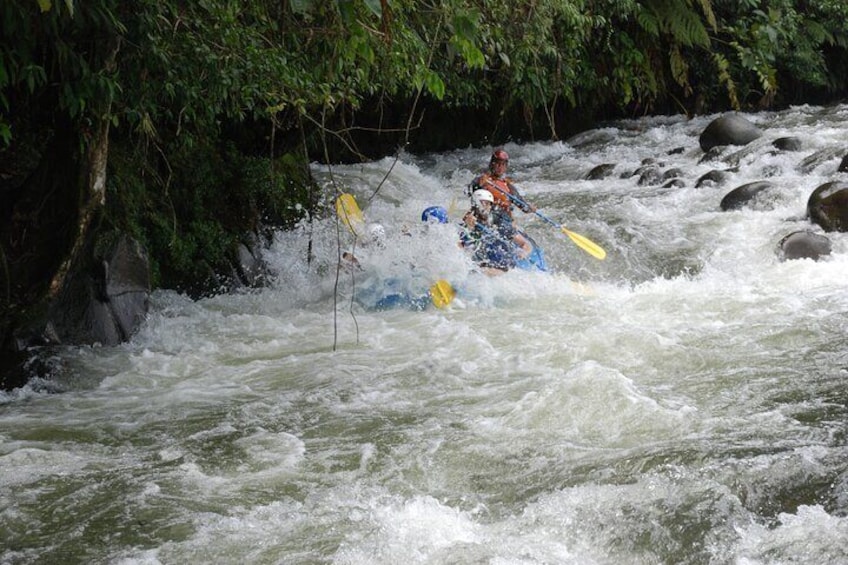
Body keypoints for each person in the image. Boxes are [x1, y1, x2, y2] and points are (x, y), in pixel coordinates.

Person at [460, 189, 531, 274]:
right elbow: (463, 246)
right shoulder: (468, 221)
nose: (485, 206)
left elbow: (524, 244)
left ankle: (481, 273)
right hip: (482, 259)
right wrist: (469, 228)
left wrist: (524, 252)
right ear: (475, 205)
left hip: (500, 260)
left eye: (488, 203)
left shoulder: (499, 222)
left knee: (492, 261)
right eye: (482, 203)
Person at [468, 149, 537, 229]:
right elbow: (470, 192)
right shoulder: (482, 180)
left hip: (504, 221)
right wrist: (478, 185)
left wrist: (530, 208)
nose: (500, 167)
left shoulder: (508, 186)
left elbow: (523, 206)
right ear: (492, 164)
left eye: (503, 164)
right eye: (498, 164)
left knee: (527, 241)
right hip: (486, 219)